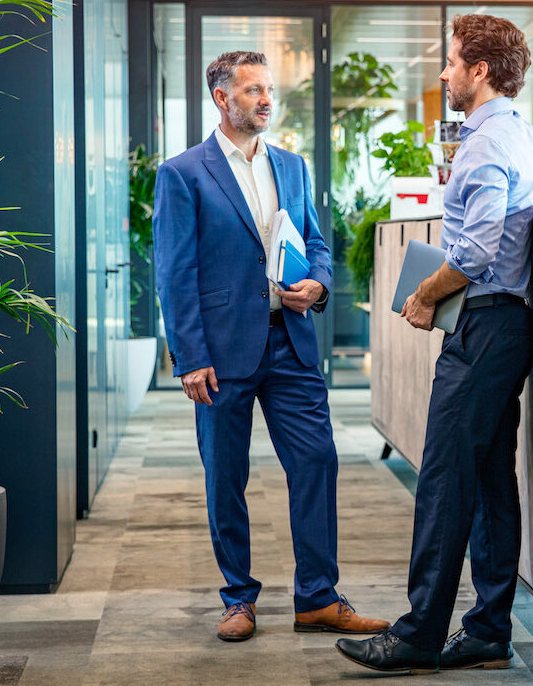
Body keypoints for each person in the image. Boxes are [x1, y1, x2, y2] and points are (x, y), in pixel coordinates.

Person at [336, 15, 533, 674]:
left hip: (484, 325)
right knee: (493, 480)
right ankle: (488, 630)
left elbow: (473, 251)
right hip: (508, 325)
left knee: (442, 480)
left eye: (450, 62)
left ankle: (419, 632)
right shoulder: (522, 136)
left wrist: (425, 294)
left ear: (480, 70)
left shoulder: (483, 143)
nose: (443, 74)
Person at [153, 50, 389, 643]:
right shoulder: (184, 173)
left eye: (268, 90)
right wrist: (189, 357)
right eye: (253, 90)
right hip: (221, 353)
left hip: (291, 343)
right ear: (221, 98)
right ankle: (238, 598)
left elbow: (317, 239)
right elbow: (174, 272)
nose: (265, 99)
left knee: (317, 461)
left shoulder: (292, 166)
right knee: (225, 477)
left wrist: (321, 282)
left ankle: (317, 597)